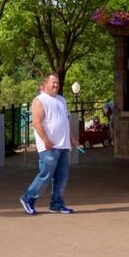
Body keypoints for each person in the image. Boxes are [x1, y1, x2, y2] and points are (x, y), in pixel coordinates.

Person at [20, 74, 75, 215]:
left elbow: (65, 122)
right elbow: (36, 123)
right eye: (53, 82)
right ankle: (28, 198)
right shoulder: (40, 100)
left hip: (63, 146)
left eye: (57, 82)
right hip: (49, 147)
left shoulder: (61, 100)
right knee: (45, 175)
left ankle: (56, 204)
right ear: (45, 85)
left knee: (62, 177)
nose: (56, 85)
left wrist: (73, 139)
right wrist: (46, 141)